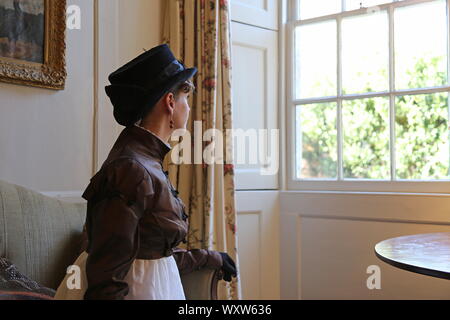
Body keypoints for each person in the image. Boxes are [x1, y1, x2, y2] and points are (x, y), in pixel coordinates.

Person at [54, 44, 237, 300]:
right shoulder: (131, 169)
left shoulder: (145, 161)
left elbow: (150, 252)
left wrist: (208, 257)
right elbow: (106, 276)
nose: (188, 107)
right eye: (186, 99)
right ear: (171, 102)